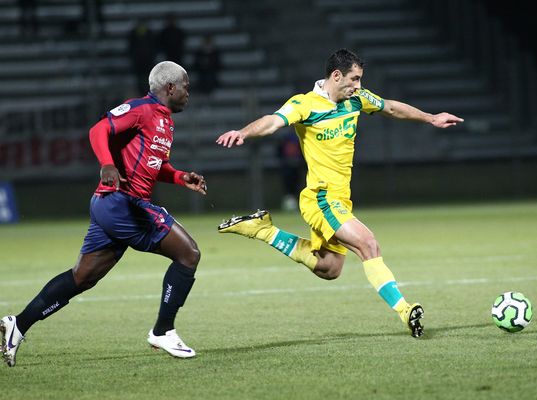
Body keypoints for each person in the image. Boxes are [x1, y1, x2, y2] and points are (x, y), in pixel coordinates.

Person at [215, 49, 463, 338]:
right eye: (354, 79)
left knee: (329, 268)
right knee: (368, 244)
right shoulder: (304, 105)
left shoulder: (356, 100)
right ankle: (406, 310)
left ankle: (262, 230)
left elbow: (391, 107)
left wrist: (430, 118)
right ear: (336, 76)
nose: (358, 85)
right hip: (321, 198)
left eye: (360, 79)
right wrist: (244, 132)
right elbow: (272, 121)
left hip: (340, 199)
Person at [0, 61, 207, 367]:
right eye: (186, 86)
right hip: (123, 203)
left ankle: (17, 324)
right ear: (170, 87)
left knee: (82, 277)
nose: (189, 92)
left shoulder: (165, 120)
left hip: (112, 205)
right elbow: (99, 129)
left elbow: (153, 166)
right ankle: (163, 331)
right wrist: (106, 163)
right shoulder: (140, 109)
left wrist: (179, 177)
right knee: (189, 254)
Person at [128, 20, 156, 96]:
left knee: (148, 77)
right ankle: (141, 92)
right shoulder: (133, 33)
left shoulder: (149, 33)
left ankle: (148, 92)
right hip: (138, 60)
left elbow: (153, 46)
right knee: (139, 78)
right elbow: (131, 47)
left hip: (148, 60)